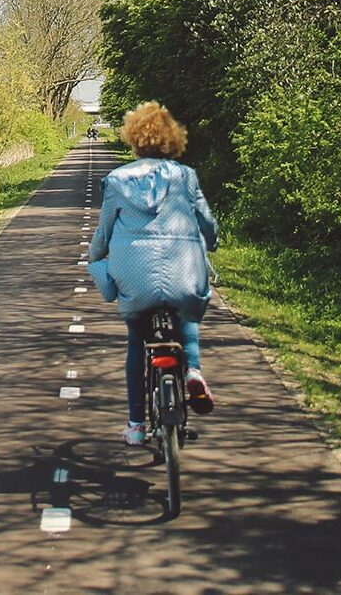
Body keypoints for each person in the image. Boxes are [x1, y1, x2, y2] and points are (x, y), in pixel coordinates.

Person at [87, 101, 218, 445]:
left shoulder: (116, 181)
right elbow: (206, 222)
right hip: (182, 268)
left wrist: (96, 257)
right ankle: (192, 370)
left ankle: (135, 425)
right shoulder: (186, 177)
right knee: (187, 313)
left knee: (136, 340)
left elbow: (104, 231)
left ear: (133, 139)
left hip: (135, 275)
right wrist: (213, 242)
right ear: (171, 138)